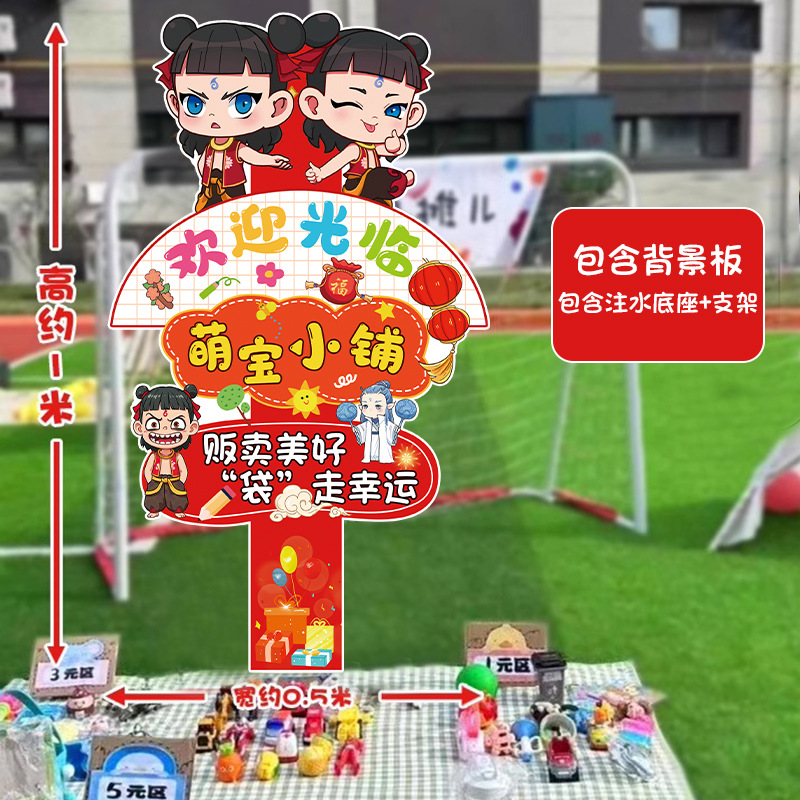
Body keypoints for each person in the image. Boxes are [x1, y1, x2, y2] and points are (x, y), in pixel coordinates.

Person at [155, 14, 304, 211]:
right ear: (175, 104)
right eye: (195, 104)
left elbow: (253, 157)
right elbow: (202, 164)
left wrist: (272, 160)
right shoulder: (209, 148)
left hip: (233, 192)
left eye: (242, 104)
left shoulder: (236, 148)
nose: (214, 117)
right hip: (208, 191)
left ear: (277, 108)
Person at [298, 13, 431, 206]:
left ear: (412, 114)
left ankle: (397, 188)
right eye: (352, 103)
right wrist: (321, 173)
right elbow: (338, 162)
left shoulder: (372, 149)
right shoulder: (354, 150)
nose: (373, 118)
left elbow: (392, 148)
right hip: (357, 187)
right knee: (378, 179)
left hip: (374, 190)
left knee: (382, 181)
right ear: (314, 104)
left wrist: (396, 145)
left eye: (393, 110)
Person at [131, 383, 200, 518]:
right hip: (156, 480)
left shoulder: (177, 456)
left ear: (192, 428)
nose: (165, 430)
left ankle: (178, 510)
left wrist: (180, 481)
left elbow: (183, 470)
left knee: (177, 498)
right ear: (139, 427)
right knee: (154, 498)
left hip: (174, 480)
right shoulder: (154, 456)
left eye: (176, 424)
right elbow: (148, 470)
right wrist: (151, 481)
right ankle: (154, 510)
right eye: (153, 424)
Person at [349, 380, 403, 463]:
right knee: (370, 452)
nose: (371, 410)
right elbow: (361, 433)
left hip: (383, 445)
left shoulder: (387, 423)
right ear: (361, 407)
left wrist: (395, 431)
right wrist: (357, 430)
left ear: (389, 406)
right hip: (370, 444)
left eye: (378, 406)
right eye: (365, 406)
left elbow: (392, 437)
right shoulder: (367, 423)